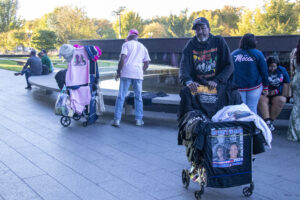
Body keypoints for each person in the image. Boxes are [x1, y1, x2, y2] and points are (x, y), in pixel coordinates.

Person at [178, 17, 239, 119]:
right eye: (197, 29)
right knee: (186, 94)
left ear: (209, 29)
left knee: (233, 95)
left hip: (217, 85)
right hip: (198, 86)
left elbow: (229, 65)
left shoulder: (218, 41)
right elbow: (183, 68)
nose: (200, 32)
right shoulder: (190, 45)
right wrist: (189, 82)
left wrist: (217, 80)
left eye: (203, 28)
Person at [112, 29, 151, 127]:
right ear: (137, 37)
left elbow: (122, 59)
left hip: (126, 72)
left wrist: (118, 72)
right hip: (138, 74)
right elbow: (147, 63)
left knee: (121, 96)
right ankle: (139, 120)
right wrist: (141, 70)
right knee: (138, 97)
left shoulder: (126, 45)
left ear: (129, 36)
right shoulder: (143, 47)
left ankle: (117, 120)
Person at [232, 33, 269, 114]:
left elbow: (229, 71)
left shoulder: (233, 54)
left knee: (241, 110)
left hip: (238, 87)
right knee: (252, 109)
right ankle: (252, 125)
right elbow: (264, 71)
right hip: (254, 87)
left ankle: (242, 126)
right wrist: (266, 87)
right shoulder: (258, 54)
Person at [258, 56, 290, 131]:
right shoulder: (262, 70)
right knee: (261, 100)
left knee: (281, 100)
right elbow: (258, 81)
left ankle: (271, 121)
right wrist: (265, 90)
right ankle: (267, 121)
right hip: (265, 92)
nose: (272, 68)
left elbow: (286, 83)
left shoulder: (282, 70)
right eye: (270, 66)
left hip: (277, 92)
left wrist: (277, 91)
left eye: (274, 66)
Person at [288, 37, 300, 141]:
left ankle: (294, 133)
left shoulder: (294, 51)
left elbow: (292, 69)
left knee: (296, 106)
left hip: (297, 79)